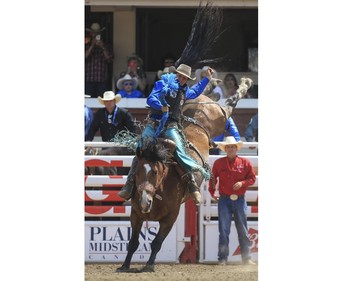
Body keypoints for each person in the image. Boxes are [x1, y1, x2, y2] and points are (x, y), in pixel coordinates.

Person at [117, 64, 213, 204]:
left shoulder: (185, 91)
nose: (181, 79)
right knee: (141, 148)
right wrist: (160, 106)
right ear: (175, 75)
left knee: (179, 149)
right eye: (179, 76)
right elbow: (151, 99)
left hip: (171, 126)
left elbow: (196, 91)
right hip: (155, 123)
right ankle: (130, 184)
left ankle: (192, 183)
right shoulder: (162, 84)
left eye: (184, 78)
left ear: (187, 79)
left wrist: (206, 80)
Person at [208, 136, 257, 266]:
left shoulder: (245, 162)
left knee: (243, 230)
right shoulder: (219, 163)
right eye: (228, 147)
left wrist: (242, 183)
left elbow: (252, 178)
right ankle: (223, 259)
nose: (230, 149)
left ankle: (246, 258)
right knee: (224, 230)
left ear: (236, 148)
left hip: (239, 200)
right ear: (225, 149)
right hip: (225, 199)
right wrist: (212, 192)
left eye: (232, 147)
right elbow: (213, 179)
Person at [85, 23, 113, 98]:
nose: (95, 34)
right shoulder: (86, 46)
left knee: (101, 101)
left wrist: (102, 47)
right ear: (91, 33)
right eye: (94, 32)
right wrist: (92, 45)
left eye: (97, 33)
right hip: (89, 79)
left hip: (102, 80)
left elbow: (109, 59)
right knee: (88, 101)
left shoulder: (106, 45)